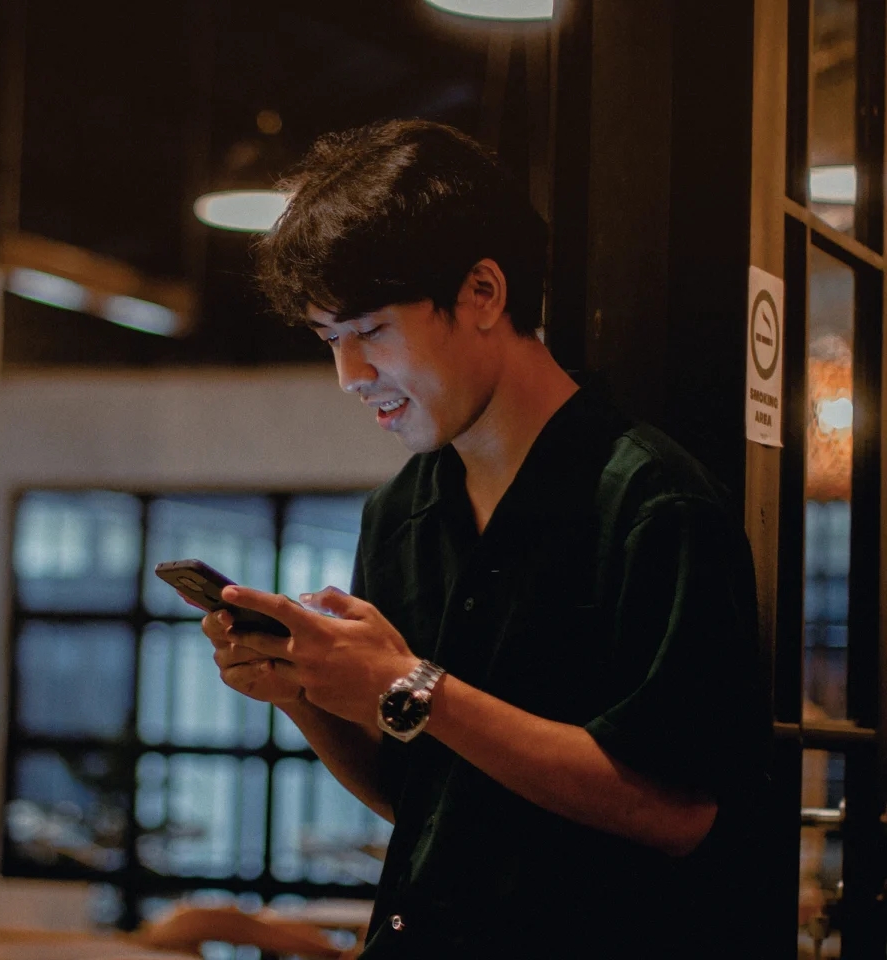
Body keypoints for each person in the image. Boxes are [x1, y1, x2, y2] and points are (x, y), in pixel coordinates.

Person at [198, 120, 772, 959]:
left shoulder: (653, 503)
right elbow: (425, 797)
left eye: (370, 331)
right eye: (331, 342)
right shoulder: (400, 512)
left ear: (483, 294)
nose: (350, 376)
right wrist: (299, 690)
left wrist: (413, 685)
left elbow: (676, 812)